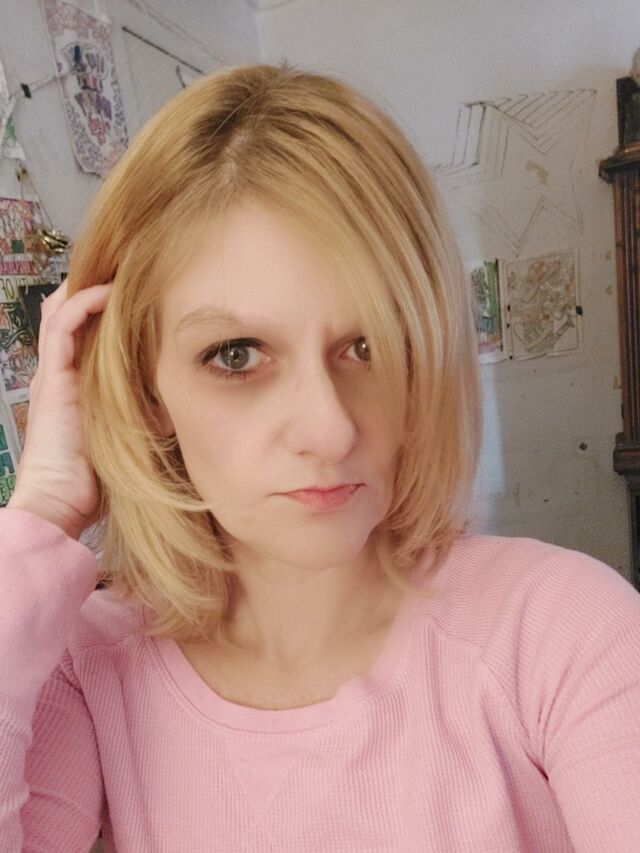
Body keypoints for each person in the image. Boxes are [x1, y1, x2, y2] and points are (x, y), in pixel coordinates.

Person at [1, 62, 639, 853]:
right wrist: (41, 513)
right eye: (237, 354)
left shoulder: (564, 631)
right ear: (143, 384)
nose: (331, 428)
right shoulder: (83, 670)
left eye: (368, 345)